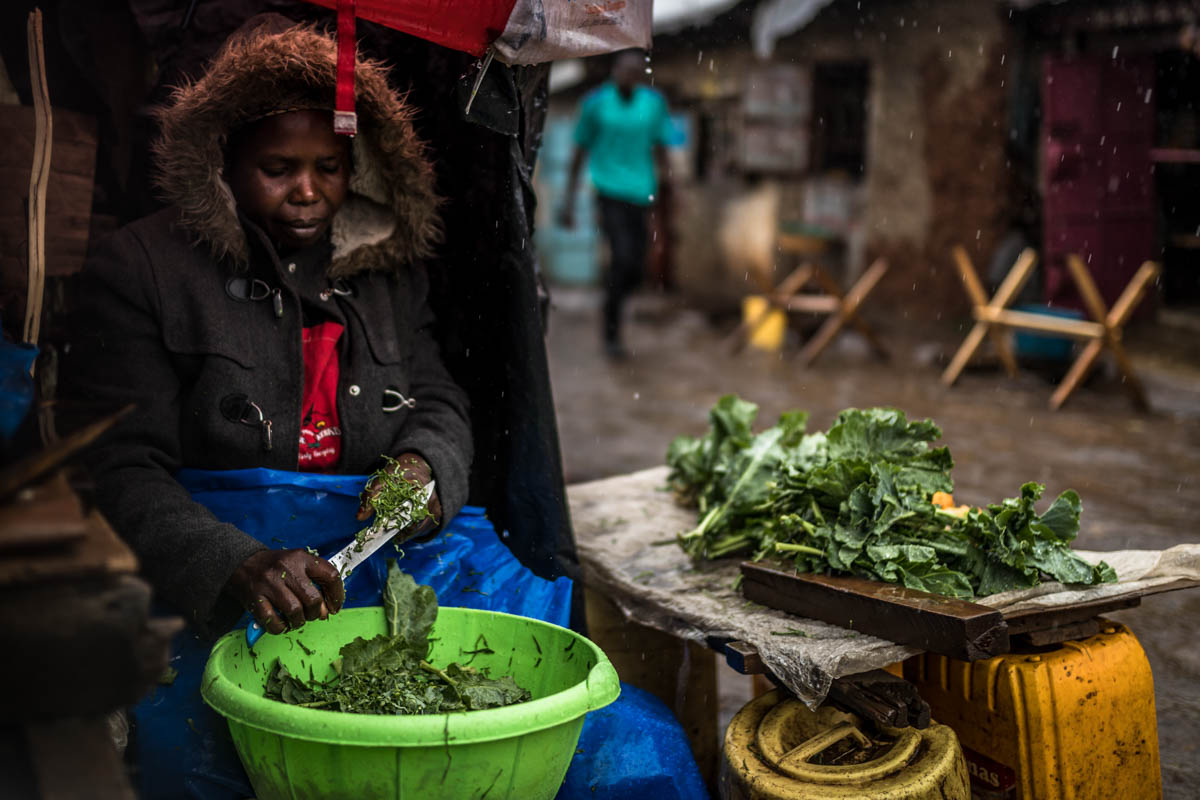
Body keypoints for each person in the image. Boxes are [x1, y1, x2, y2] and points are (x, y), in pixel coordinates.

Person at [61, 20, 472, 641]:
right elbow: (117, 466)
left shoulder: (384, 265)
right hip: (214, 577)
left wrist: (424, 465)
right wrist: (234, 563)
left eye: (329, 168)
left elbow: (438, 396)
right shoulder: (142, 268)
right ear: (223, 161)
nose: (308, 193)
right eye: (277, 168)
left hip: (372, 558)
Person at [560, 50, 673, 359]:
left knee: (637, 265)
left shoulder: (653, 104)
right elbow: (579, 152)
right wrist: (568, 201)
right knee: (622, 257)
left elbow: (662, 149)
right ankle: (611, 333)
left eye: (636, 72)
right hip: (609, 192)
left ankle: (615, 299)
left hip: (642, 193)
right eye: (624, 71)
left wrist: (670, 192)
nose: (629, 77)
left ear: (641, 75)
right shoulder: (595, 104)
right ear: (615, 71)